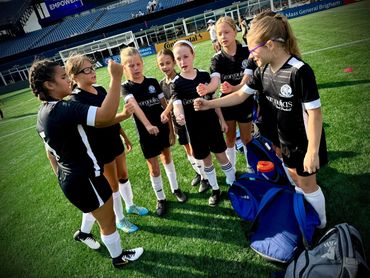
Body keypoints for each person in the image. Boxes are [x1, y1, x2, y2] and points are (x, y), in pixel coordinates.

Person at [194, 13, 328, 228]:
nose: (251, 56)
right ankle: (306, 220)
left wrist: (312, 151)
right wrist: (209, 104)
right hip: (282, 142)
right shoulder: (262, 71)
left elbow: (315, 114)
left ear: (271, 45)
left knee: (307, 184)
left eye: (254, 50)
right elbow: (240, 95)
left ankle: (320, 225)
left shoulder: (299, 71)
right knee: (294, 179)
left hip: (303, 142)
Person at [29, 58, 144, 268]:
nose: (68, 81)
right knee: (107, 221)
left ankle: (83, 233)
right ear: (49, 85)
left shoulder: (42, 113)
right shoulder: (64, 108)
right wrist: (116, 77)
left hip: (69, 178)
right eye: (63, 77)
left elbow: (50, 154)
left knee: (93, 209)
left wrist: (63, 176)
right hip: (85, 177)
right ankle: (119, 258)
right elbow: (104, 115)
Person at [65, 54, 149, 236]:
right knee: (113, 185)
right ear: (74, 76)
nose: (92, 72)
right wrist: (124, 115)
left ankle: (130, 205)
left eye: (92, 67)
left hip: (114, 140)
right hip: (99, 147)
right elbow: (99, 122)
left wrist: (124, 136)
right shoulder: (75, 99)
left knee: (124, 175)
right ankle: (119, 219)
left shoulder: (100, 89)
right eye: (85, 70)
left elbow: (110, 117)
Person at [120, 47, 187, 216]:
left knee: (167, 158)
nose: (135, 68)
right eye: (130, 65)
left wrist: (171, 130)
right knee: (154, 168)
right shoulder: (125, 88)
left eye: (137, 64)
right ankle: (161, 198)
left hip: (162, 128)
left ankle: (175, 189)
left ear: (142, 64)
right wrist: (148, 125)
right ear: (124, 68)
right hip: (146, 133)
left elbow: (165, 107)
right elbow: (134, 107)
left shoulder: (152, 82)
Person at [171, 40, 235, 207]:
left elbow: (213, 99)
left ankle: (234, 184)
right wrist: (179, 116)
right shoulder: (176, 83)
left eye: (186, 56)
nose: (182, 61)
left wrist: (221, 119)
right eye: (178, 58)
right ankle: (215, 189)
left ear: (193, 56)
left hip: (212, 125)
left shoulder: (205, 76)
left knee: (222, 156)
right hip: (195, 130)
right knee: (206, 161)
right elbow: (177, 104)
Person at [197, 16, 255, 173]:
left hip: (245, 102)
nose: (223, 37)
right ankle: (232, 170)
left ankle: (251, 167)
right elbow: (215, 81)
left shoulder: (247, 52)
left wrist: (234, 88)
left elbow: (247, 82)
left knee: (246, 139)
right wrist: (207, 89)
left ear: (235, 31)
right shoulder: (216, 59)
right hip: (227, 104)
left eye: (226, 32)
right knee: (229, 139)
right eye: (219, 33)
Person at [156, 48, 210, 193]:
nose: (165, 67)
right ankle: (199, 172)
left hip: (188, 120)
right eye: (162, 64)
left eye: (168, 63)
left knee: (194, 149)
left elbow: (174, 99)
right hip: (176, 122)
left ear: (174, 62)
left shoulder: (180, 80)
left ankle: (206, 178)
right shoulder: (162, 84)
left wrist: (166, 111)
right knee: (187, 148)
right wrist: (171, 129)